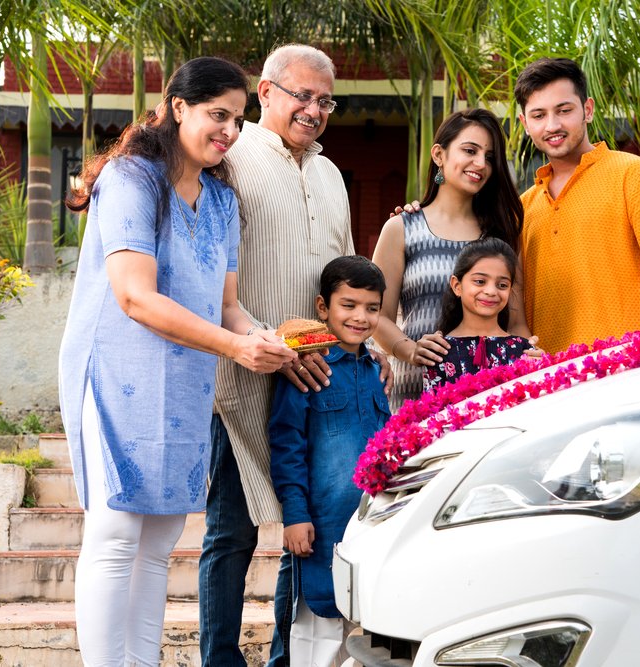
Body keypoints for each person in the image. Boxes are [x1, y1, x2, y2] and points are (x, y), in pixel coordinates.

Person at [58, 57, 295, 667]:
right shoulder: (130, 178)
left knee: (160, 541)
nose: (230, 132)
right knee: (115, 533)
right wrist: (234, 347)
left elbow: (229, 306)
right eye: (219, 115)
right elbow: (134, 297)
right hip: (116, 373)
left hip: (187, 379)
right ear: (178, 107)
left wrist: (266, 339)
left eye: (238, 120)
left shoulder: (221, 198)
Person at [200, 44, 391, 667]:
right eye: (302, 95)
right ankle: (219, 659)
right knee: (231, 531)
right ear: (266, 92)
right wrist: (268, 345)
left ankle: (286, 657)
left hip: (316, 379)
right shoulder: (231, 158)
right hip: (242, 372)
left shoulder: (331, 174)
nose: (313, 109)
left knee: (300, 527)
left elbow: (346, 272)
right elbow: (211, 274)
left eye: (325, 101)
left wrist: (365, 345)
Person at [514, 57, 640, 353]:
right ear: (525, 123)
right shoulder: (524, 207)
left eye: (564, 110)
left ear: (587, 110)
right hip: (548, 378)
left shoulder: (636, 176)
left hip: (628, 371)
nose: (552, 125)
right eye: (539, 115)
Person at [269, 256, 390, 667]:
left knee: (367, 639)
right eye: (348, 305)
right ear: (323, 307)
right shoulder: (305, 368)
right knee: (316, 640)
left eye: (372, 308)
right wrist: (295, 513)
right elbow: (288, 442)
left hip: (370, 529)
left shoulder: (376, 370)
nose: (360, 317)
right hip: (320, 529)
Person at [371, 108, 530, 410]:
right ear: (438, 154)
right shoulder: (401, 228)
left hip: (489, 397)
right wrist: (411, 350)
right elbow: (377, 316)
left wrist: (528, 357)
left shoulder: (502, 234)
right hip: (416, 392)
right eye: (470, 150)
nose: (480, 163)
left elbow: (516, 321)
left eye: (490, 157)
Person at [423, 238, 533, 392]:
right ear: (457, 286)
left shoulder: (524, 350)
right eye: (480, 281)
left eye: (502, 285)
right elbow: (433, 406)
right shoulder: (439, 351)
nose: (491, 291)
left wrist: (539, 370)